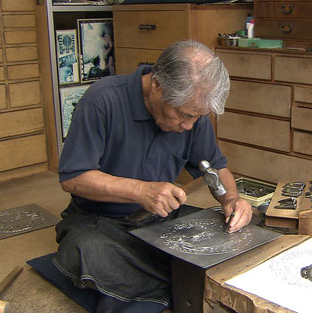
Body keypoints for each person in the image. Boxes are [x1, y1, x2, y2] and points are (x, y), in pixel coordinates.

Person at [55, 39, 252, 313]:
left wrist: (231, 199)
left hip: (162, 220)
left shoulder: (193, 111)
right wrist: (140, 191)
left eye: (197, 117)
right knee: (84, 252)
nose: (189, 125)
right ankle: (192, 281)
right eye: (183, 115)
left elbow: (216, 167)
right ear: (156, 85)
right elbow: (72, 177)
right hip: (100, 222)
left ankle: (177, 279)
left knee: (235, 237)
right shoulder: (102, 100)